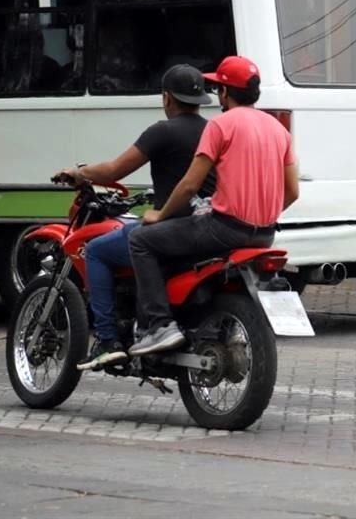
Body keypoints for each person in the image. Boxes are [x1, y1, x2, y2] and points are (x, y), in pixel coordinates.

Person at [127, 55, 300, 356]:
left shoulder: (220, 126)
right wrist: (262, 214)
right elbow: (293, 191)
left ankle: (158, 326)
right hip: (265, 235)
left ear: (224, 92)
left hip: (224, 229)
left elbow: (190, 185)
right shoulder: (278, 130)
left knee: (140, 240)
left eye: (218, 88)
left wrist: (161, 214)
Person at [61, 64, 216, 370]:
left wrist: (78, 173)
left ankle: (107, 341)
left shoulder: (162, 131)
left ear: (166, 97)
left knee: (96, 251)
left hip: (172, 228)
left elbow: (115, 170)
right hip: (207, 227)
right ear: (200, 101)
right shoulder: (214, 130)